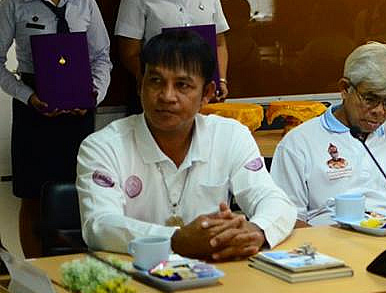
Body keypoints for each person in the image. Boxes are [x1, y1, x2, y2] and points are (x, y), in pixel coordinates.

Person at [77, 30, 294, 260]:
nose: (167, 96)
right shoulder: (103, 146)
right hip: (133, 273)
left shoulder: (230, 136)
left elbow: (274, 199)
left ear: (207, 93)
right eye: (156, 81)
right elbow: (99, 224)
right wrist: (175, 240)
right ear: (140, 85)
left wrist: (256, 231)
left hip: (214, 270)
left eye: (182, 85)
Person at [0, 0, 111, 258]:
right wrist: (26, 96)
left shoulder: (86, 3)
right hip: (34, 105)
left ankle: (75, 264)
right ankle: (36, 269)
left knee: (79, 191)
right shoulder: (13, 4)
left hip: (79, 106)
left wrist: (94, 96)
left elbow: (102, 57)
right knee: (33, 196)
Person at [270, 41, 386, 226]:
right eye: (370, 99)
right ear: (345, 88)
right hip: (329, 238)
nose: (379, 111)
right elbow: (286, 219)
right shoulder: (299, 142)